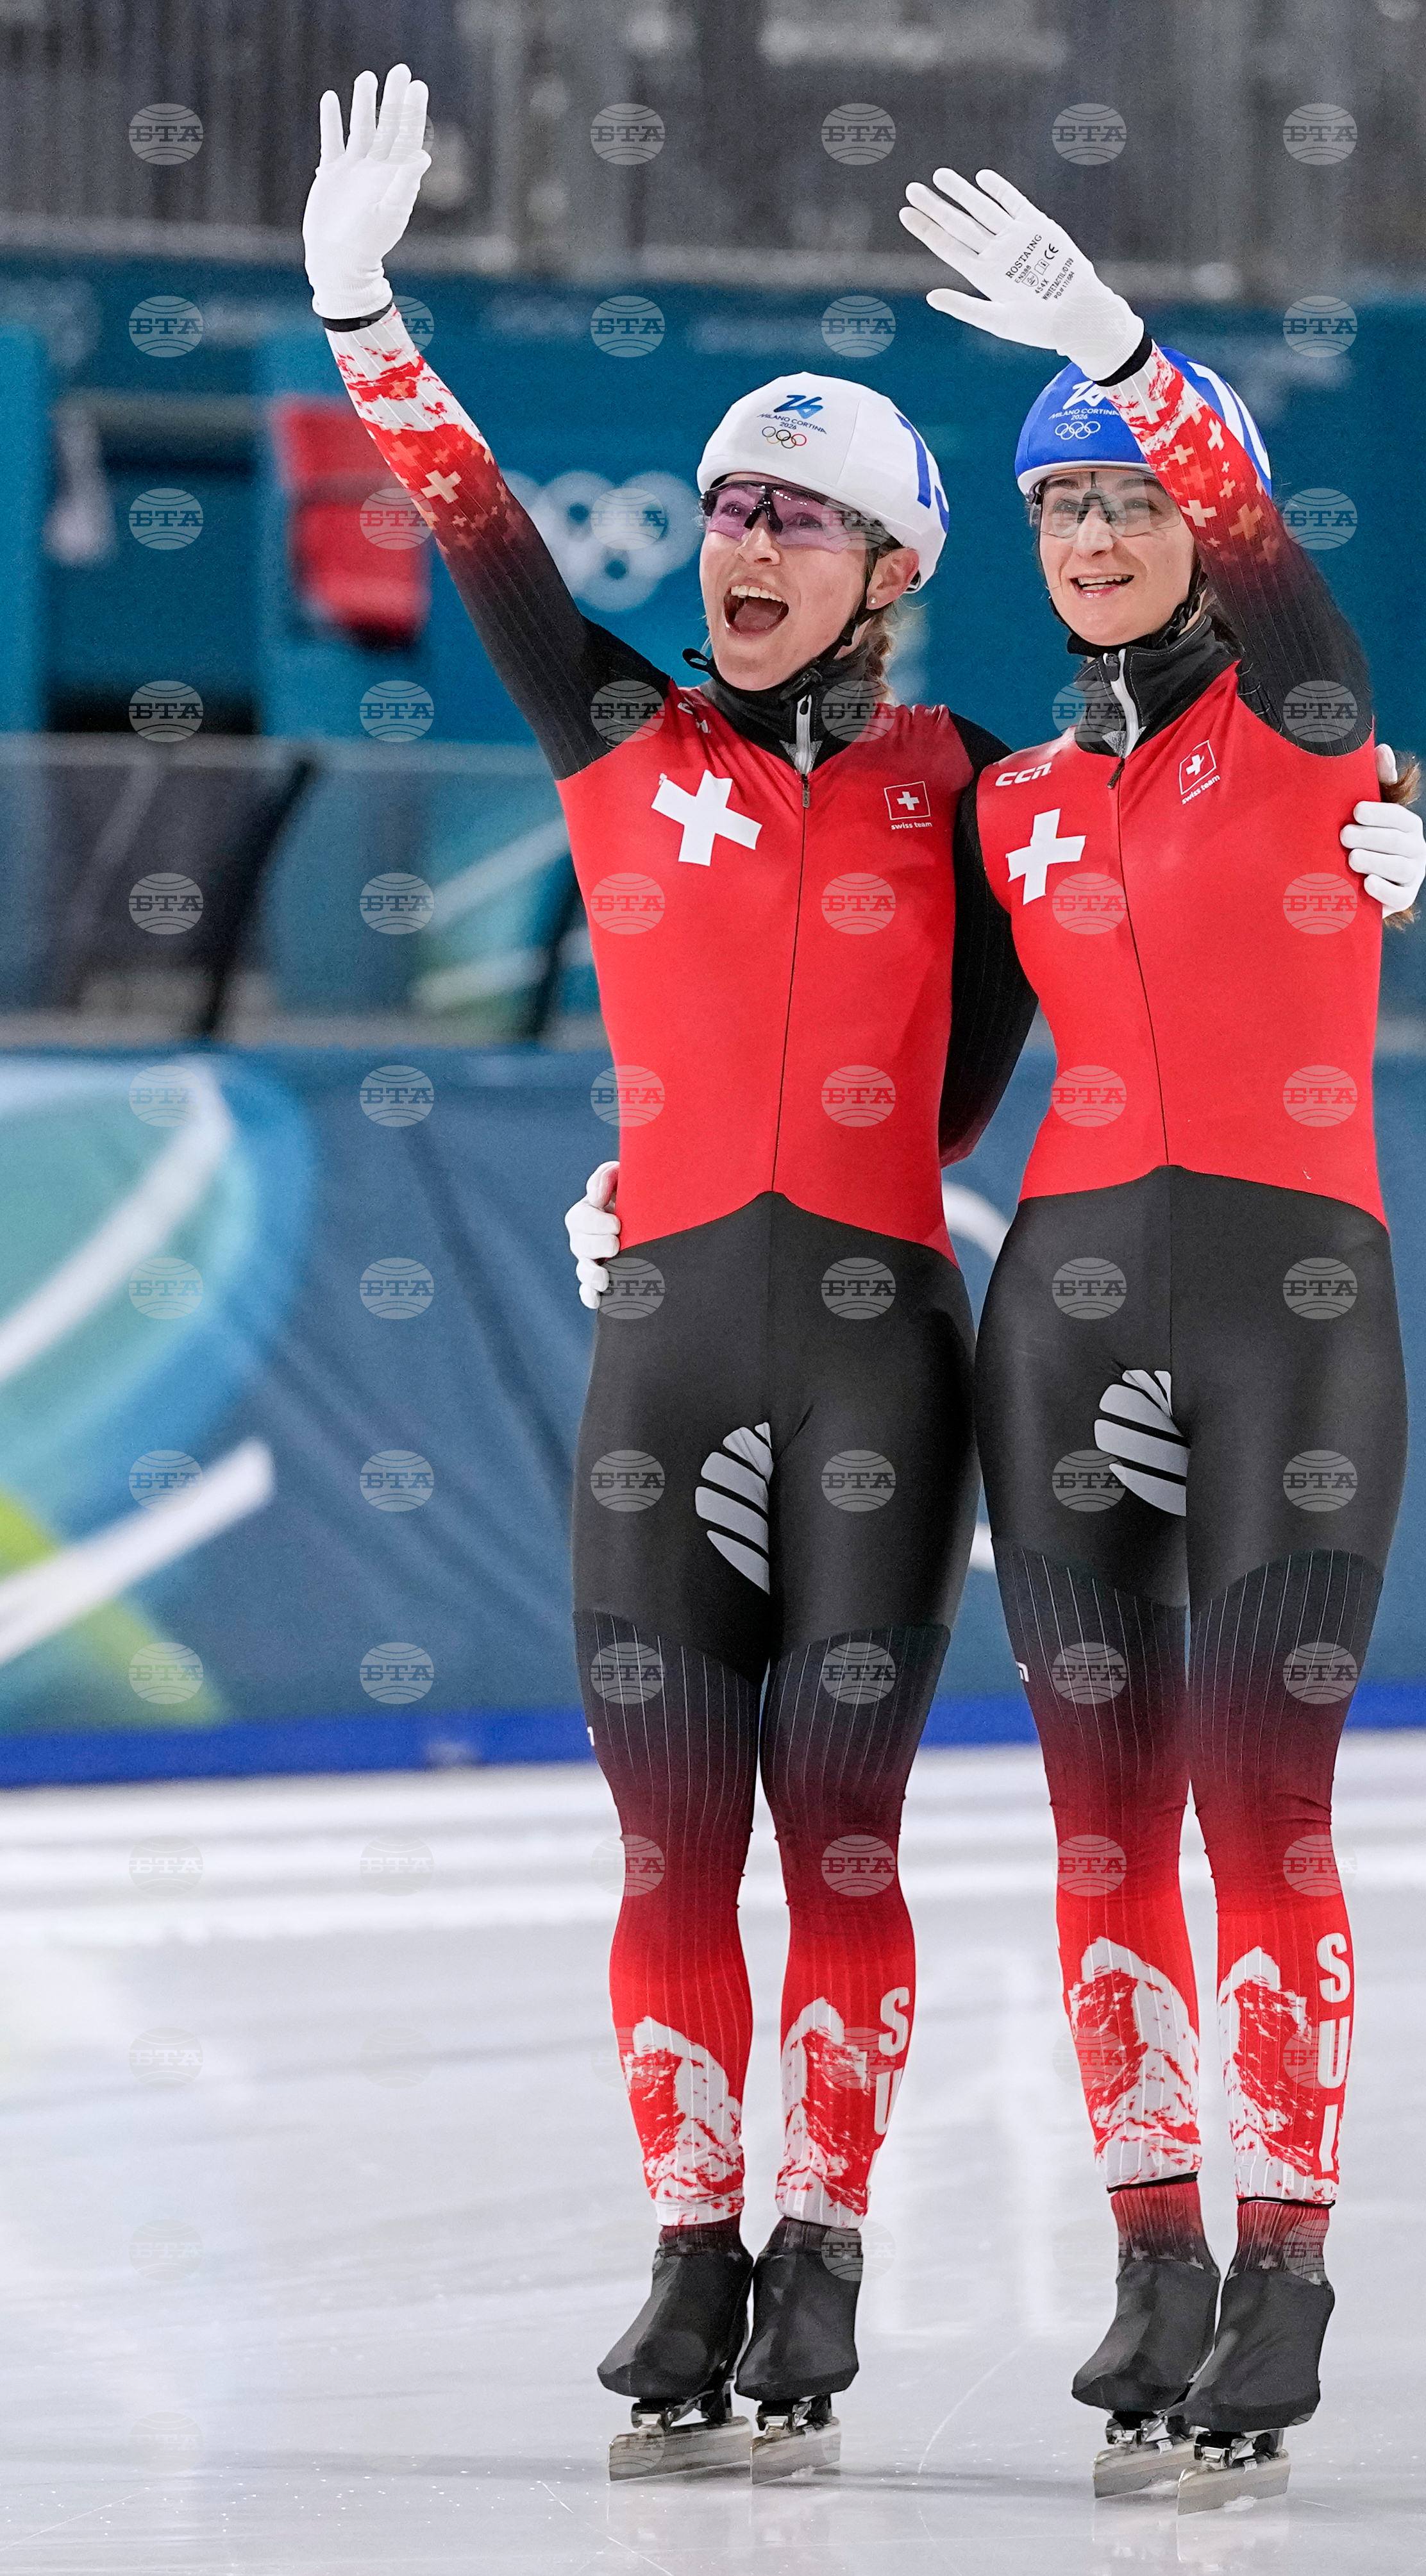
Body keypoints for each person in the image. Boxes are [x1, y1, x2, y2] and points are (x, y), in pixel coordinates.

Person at [303, 65, 1042, 2477]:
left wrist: (1376, 816)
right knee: (666, 1843)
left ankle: (821, 2240)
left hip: (877, 1357)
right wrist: (363, 313)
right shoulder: (621, 731)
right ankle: (692, 2240)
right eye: (726, 504)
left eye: (797, 517)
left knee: (839, 1835)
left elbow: (1009, 1051)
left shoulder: (979, 789)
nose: (744, 541)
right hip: (669, 1347)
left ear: (890, 571)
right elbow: (481, 530)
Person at [900, 168, 1424, 2507]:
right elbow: (928, 1095)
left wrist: (1122, 351)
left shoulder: (1311, 716)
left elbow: (1276, 559)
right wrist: (674, 1176)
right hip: (1065, 1317)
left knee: (1259, 1807)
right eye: (1062, 507)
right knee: (1101, 1817)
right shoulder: (1013, 797)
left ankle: (1286, 2260)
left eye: (1130, 497)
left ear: (1203, 525)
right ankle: (1154, 2256)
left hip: (1294, 1306)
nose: (1099, 532)